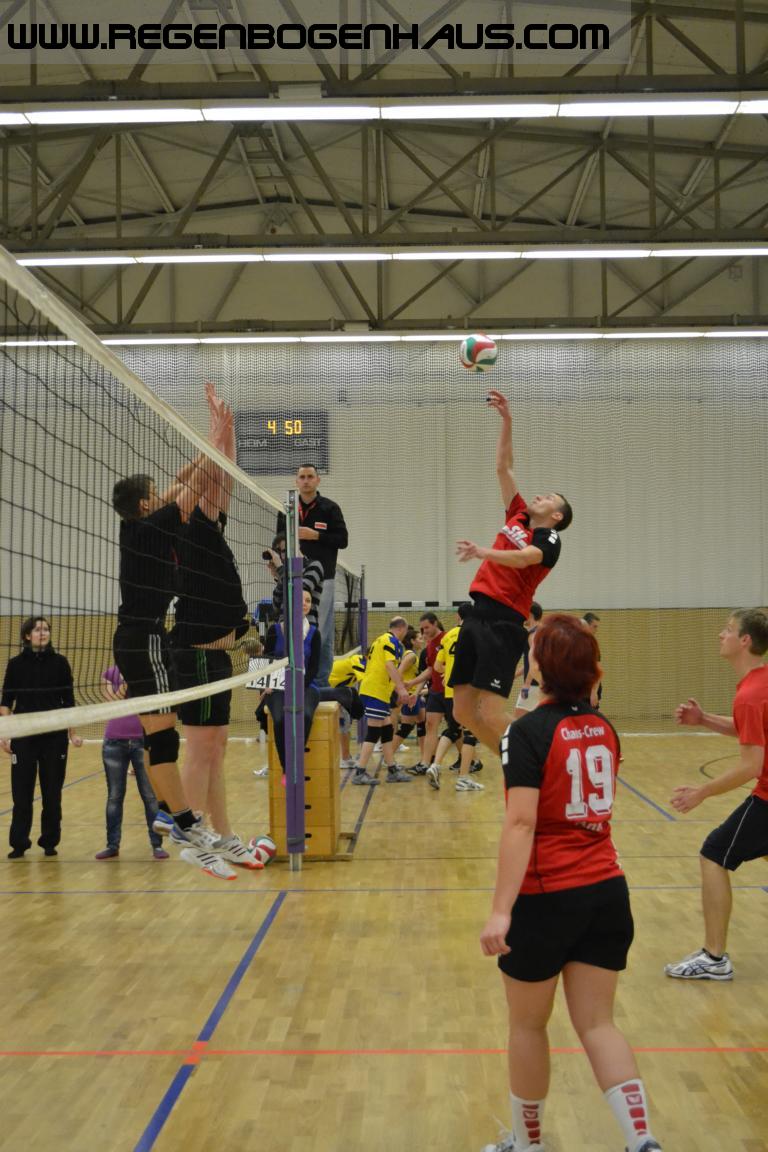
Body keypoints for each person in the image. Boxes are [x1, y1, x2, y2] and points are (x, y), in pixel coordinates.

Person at [479, 614, 661, 1152]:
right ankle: (642, 1141)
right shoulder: (604, 727)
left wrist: (500, 911)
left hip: (545, 898)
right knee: (599, 1025)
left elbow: (521, 822)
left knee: (527, 1027)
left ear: (540, 666)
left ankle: (528, 1144)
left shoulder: (527, 733)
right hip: (606, 891)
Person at [111, 382, 227, 872]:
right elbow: (192, 489)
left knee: (158, 736)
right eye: (154, 493)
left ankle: (172, 815)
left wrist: (212, 437)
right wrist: (215, 440)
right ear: (144, 504)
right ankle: (182, 819)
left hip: (136, 637)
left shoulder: (141, 525)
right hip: (147, 638)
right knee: (164, 736)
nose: (161, 495)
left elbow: (184, 482)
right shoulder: (146, 528)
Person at [170, 390, 262, 876]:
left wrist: (228, 432)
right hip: (198, 655)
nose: (206, 493)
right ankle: (191, 835)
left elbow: (223, 476)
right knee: (201, 747)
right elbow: (206, 476)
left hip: (218, 656)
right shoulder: (179, 527)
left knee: (218, 746)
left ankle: (223, 835)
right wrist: (212, 435)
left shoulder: (207, 527)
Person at [452, 389, 572, 754]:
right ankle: (512, 767)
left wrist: (481, 552)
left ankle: (539, 758)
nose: (540, 496)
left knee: (490, 712)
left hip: (504, 623)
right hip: (476, 615)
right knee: (462, 713)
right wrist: (507, 420)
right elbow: (503, 467)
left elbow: (524, 559)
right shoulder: (517, 513)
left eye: (549, 498)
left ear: (556, 515)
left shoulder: (549, 538)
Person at [665, 608, 768, 981]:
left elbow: (751, 765)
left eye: (728, 630)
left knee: (714, 853)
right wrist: (705, 719)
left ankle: (714, 957)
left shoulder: (752, 693)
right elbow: (750, 729)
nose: (720, 635)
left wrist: (702, 792)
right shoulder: (759, 685)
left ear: (745, 641)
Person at [1, 616, 82, 859]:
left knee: (52, 793)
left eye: (46, 629)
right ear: (27, 635)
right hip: (24, 735)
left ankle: (49, 841)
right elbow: (6, 702)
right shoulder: (15, 664)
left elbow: (69, 702)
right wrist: (5, 733)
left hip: (54, 737)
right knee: (22, 794)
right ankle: (19, 843)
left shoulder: (60, 663)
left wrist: (72, 732)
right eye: (37, 629)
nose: (43, 632)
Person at [276, 463, 348, 687]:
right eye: (302, 477)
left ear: (318, 480)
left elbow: (343, 540)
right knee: (289, 627)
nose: (306, 481)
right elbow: (278, 540)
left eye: (310, 476)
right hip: (293, 577)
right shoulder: (287, 510)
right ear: (296, 481)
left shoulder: (330, 508)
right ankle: (293, 679)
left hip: (323, 579)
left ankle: (320, 682)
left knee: (321, 631)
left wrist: (315, 535)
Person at [95, 666, 168, 861]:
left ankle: (157, 845)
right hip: (114, 742)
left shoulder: (147, 672)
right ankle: (112, 845)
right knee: (114, 796)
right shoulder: (109, 674)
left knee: (150, 796)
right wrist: (127, 680)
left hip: (142, 740)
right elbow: (114, 703)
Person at [263, 589, 322, 772]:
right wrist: (267, 684)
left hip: (306, 685)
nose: (305, 603)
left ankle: (295, 761)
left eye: (308, 600)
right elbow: (265, 661)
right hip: (277, 686)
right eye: (300, 599)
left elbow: (314, 668)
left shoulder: (314, 633)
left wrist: (299, 686)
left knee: (304, 715)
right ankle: (287, 769)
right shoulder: (274, 631)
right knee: (280, 719)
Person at [352, 617, 416, 786]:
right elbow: (389, 666)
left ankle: (392, 769)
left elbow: (383, 670)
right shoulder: (390, 641)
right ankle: (360, 772)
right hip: (375, 692)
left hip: (377, 691)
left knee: (387, 729)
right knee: (374, 732)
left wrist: (401, 688)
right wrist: (401, 689)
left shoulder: (380, 640)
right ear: (401, 628)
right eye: (406, 631)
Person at [427, 603, 483, 792]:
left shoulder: (448, 635)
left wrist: (449, 672)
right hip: (469, 691)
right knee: (470, 734)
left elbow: (437, 667)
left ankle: (435, 765)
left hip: (451, 691)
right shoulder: (475, 633)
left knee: (453, 730)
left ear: (458, 617)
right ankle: (463, 778)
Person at [401, 612, 446, 775]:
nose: (424, 631)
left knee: (456, 729)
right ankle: (425, 763)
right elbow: (430, 670)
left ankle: (471, 760)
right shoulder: (430, 646)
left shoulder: (447, 639)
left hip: (450, 691)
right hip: (435, 691)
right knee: (430, 725)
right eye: (422, 629)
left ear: (435, 624)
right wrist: (413, 687)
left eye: (426, 627)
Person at [267, 532, 324, 627]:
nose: (282, 557)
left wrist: (281, 569)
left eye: (284, 551)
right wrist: (279, 578)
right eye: (279, 553)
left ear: (297, 546)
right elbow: (276, 608)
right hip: (284, 630)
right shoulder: (286, 575)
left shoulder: (314, 566)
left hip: (306, 630)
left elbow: (298, 592)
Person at [514, 602, 543, 719]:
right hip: (541, 684)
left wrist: (527, 684)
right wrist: (514, 675)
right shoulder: (541, 631)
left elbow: (535, 662)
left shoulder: (533, 635)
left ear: (530, 614)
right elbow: (530, 662)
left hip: (533, 686)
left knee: (517, 721)